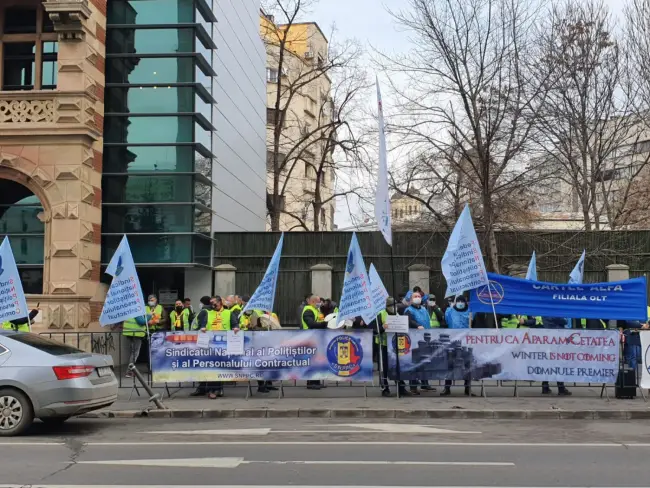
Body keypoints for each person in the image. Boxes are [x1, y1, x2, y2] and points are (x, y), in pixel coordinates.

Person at [404, 291, 435, 394]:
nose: (418, 298)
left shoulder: (423, 309)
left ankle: (424, 384)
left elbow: (427, 321)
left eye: (419, 296)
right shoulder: (408, 310)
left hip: (425, 339)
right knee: (414, 363)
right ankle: (413, 387)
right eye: (415, 296)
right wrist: (417, 325)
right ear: (411, 299)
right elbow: (409, 321)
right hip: (414, 340)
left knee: (425, 361)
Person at [442, 295, 472, 396]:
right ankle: (447, 388)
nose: (460, 303)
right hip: (453, 342)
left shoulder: (470, 311)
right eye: (458, 301)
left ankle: (468, 388)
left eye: (462, 301)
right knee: (450, 365)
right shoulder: (450, 311)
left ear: (465, 302)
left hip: (466, 342)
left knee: (468, 366)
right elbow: (446, 320)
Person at [301, 294, 329, 389]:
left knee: (317, 361)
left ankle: (316, 381)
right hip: (310, 338)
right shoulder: (308, 310)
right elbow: (311, 323)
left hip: (316, 338)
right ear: (312, 302)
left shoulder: (316, 310)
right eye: (318, 302)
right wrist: (324, 324)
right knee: (312, 361)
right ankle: (311, 382)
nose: (320, 303)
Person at [540, 316, 572, 395]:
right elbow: (563, 321)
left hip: (549, 338)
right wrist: (564, 320)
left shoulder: (544, 312)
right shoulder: (552, 312)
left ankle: (545, 386)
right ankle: (561, 388)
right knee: (558, 363)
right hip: (557, 338)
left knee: (549, 364)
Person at [122, 308, 151, 378]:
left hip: (130, 333)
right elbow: (141, 321)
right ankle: (129, 372)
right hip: (136, 334)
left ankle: (131, 370)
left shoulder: (129, 309)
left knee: (133, 352)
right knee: (135, 353)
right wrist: (149, 315)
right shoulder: (136, 310)